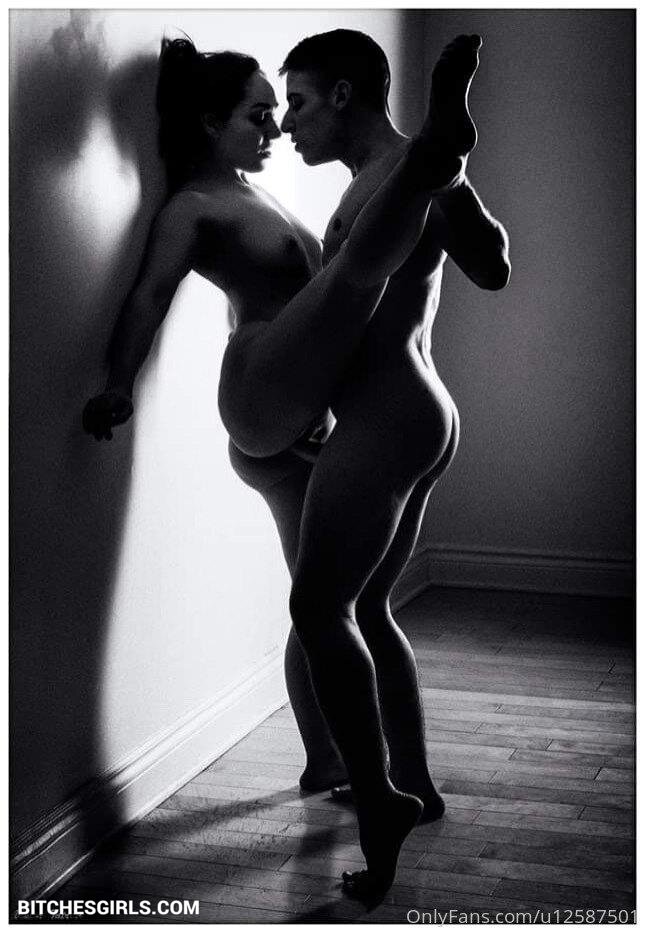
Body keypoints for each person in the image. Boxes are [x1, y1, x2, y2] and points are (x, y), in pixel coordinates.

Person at [83, 32, 507, 901]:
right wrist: (118, 384)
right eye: (261, 114)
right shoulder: (201, 204)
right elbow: (150, 293)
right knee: (342, 607)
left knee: (327, 608)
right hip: (335, 403)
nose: (280, 127)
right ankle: (375, 776)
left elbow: (464, 271)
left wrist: (438, 183)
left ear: (344, 97)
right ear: (211, 124)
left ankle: (379, 784)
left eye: (290, 107)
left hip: (361, 413)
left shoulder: (311, 191)